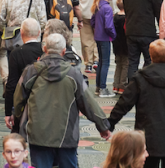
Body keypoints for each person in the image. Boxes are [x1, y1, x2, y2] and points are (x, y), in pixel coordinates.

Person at [12, 33, 112, 168]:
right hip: (67, 135)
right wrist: (103, 126)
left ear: (44, 49)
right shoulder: (74, 74)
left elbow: (18, 101)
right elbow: (88, 103)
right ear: (64, 51)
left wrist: (17, 125)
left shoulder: (31, 72)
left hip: (38, 134)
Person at [108, 40, 165, 168]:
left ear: (151, 55)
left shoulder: (140, 78)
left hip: (148, 136)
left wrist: (110, 123)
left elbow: (124, 103)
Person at [3, 18, 43, 126]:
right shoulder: (46, 50)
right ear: (39, 32)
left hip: (24, 102)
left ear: (21, 33)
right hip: (44, 99)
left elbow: (11, 84)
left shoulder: (16, 54)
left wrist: (8, 112)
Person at [124, 0, 162, 73]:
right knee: (149, 61)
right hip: (147, 32)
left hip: (131, 31)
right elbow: (158, 13)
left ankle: (132, 86)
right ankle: (146, 86)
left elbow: (126, 10)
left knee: (132, 62)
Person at [74, 0, 107, 70]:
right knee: (97, 36)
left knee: (86, 38)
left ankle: (88, 62)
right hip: (97, 12)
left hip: (83, 13)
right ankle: (96, 60)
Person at [91, 0, 117, 97]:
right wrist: (114, 35)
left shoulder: (97, 5)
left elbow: (92, 21)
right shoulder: (107, 8)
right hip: (105, 37)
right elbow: (109, 25)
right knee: (105, 62)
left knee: (101, 61)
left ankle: (98, 86)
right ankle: (102, 87)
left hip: (98, 36)